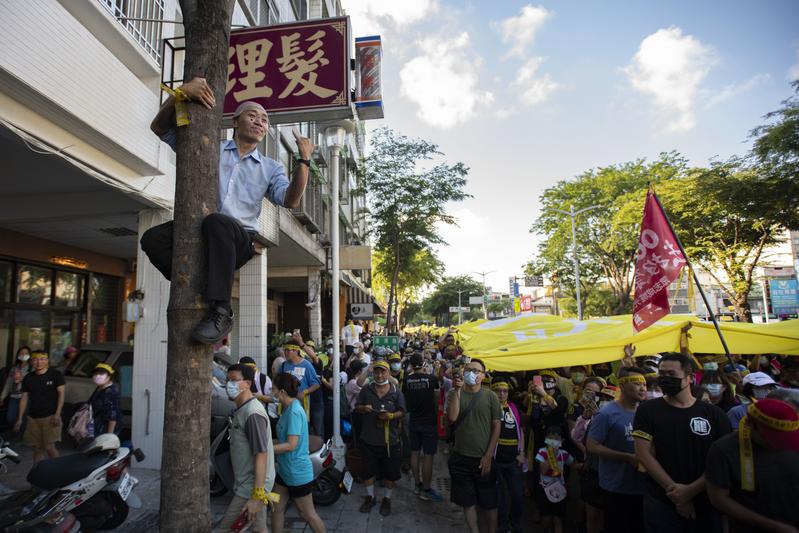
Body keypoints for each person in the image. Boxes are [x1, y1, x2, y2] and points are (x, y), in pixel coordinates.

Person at [145, 79, 313, 345]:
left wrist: (303, 160)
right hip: (201, 231)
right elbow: (159, 127)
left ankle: (222, 311)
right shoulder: (209, 148)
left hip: (238, 239)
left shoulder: (270, 167)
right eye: (252, 115)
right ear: (235, 121)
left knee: (218, 222)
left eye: (265, 119)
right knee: (153, 239)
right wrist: (181, 95)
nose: (260, 121)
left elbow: (290, 200)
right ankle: (196, 283)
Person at [633, 353, 731, 533]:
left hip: (705, 498)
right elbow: (643, 454)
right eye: (661, 374)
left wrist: (690, 491)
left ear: (690, 378)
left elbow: (722, 460)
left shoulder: (715, 414)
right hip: (662, 499)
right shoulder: (647, 410)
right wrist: (677, 494)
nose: (665, 379)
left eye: (671, 374)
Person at [705, 398, 799, 532]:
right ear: (750, 424)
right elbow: (719, 499)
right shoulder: (724, 450)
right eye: (773, 436)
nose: (779, 444)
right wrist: (776, 527)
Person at [215, 364, 275, 533]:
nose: (229, 384)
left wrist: (256, 496)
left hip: (251, 487)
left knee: (226, 529)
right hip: (251, 483)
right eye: (227, 380)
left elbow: (261, 455)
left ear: (248, 384)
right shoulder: (242, 409)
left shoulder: (252, 413)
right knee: (259, 528)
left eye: (234, 380)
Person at [586, 367, 647, 531]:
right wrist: (626, 457)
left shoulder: (646, 412)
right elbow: (592, 445)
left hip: (643, 486)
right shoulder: (606, 413)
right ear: (622, 385)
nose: (642, 388)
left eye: (644, 384)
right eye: (636, 383)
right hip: (615, 486)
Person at [447, 358, 502, 533]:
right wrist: (456, 390)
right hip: (460, 456)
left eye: (476, 371)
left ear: (483, 375)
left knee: (489, 502)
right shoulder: (454, 393)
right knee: (467, 502)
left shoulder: (490, 396)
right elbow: (453, 418)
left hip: (483, 459)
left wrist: (488, 455)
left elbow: (496, 426)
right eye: (469, 370)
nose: (472, 373)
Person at [271, 373, 326, 533]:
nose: (271, 392)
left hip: (297, 473)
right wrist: (266, 442)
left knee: (307, 514)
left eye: (273, 389)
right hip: (284, 471)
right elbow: (282, 440)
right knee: (277, 507)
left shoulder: (294, 411)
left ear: (282, 391)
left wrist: (266, 449)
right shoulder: (287, 408)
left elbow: (291, 445)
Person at [355, 360, 406, 516]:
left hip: (390, 441)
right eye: (377, 371)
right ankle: (371, 497)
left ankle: (387, 499)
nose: (379, 374)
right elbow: (357, 407)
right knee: (368, 472)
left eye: (383, 371)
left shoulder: (396, 392)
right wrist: (363, 408)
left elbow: (402, 411)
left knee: (390, 473)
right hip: (369, 439)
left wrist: (390, 416)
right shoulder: (366, 390)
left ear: (389, 373)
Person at [402, 353, 443, 502]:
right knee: (428, 456)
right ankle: (426, 488)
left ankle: (417, 485)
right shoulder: (432, 379)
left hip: (414, 419)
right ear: (423, 363)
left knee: (414, 453)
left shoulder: (407, 380)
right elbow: (437, 398)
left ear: (411, 365)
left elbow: (405, 399)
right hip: (429, 421)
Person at [570, 377, 607, 533]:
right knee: (589, 507)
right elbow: (575, 436)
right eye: (588, 391)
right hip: (589, 466)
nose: (591, 396)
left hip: (608, 469)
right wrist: (586, 416)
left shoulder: (609, 412)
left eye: (595, 393)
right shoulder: (580, 412)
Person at [14, 351, 65, 462]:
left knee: (49, 447)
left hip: (51, 416)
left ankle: (58, 471)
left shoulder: (56, 374)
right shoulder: (28, 377)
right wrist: (19, 418)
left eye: (42, 359)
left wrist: (57, 414)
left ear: (47, 361)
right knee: (37, 448)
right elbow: (24, 398)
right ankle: (37, 472)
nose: (39, 362)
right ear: (31, 362)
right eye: (36, 359)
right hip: (33, 418)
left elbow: (61, 394)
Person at [491, 380, 526, 533]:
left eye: (505, 391)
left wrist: (522, 452)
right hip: (496, 458)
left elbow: (521, 430)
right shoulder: (489, 407)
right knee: (499, 496)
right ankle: (503, 525)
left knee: (518, 494)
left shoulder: (513, 407)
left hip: (513, 459)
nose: (502, 394)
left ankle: (515, 524)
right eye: (498, 391)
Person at [535, 426, 574, 533]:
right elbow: (543, 470)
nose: (553, 441)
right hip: (545, 488)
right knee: (546, 518)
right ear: (546, 439)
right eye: (550, 438)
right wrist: (550, 455)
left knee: (558, 519)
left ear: (562, 441)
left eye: (556, 439)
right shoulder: (542, 452)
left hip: (559, 490)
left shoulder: (564, 454)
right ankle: (546, 529)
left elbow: (574, 464)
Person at [278, 338, 321, 432]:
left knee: (301, 430)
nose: (285, 353)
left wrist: (304, 392)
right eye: (284, 350)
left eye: (288, 350)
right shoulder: (283, 365)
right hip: (286, 405)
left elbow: (317, 384)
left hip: (301, 404)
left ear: (296, 350)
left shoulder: (307, 365)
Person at [1, 346, 31, 436]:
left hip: (26, 397)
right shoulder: (14, 368)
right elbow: (8, 383)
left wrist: (23, 379)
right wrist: (2, 396)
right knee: (10, 418)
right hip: (14, 396)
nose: (23, 355)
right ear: (18, 355)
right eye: (21, 353)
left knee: (23, 418)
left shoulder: (32, 368)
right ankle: (15, 431)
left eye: (26, 353)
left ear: (29, 355)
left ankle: (20, 437)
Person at [89, 363, 123, 436]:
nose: (97, 376)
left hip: (105, 428)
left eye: (101, 374)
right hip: (97, 426)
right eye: (96, 373)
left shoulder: (110, 392)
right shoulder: (99, 388)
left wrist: (109, 435)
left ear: (109, 377)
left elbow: (113, 416)